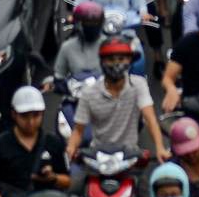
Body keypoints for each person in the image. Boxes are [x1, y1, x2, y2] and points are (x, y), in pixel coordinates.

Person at [66, 37, 167, 172]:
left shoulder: (138, 84)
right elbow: (78, 130)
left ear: (129, 61)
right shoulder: (89, 93)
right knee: (76, 187)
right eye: (111, 60)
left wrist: (160, 148)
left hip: (129, 157)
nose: (116, 64)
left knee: (147, 189)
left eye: (121, 59)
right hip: (98, 158)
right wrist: (71, 148)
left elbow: (150, 119)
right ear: (102, 62)